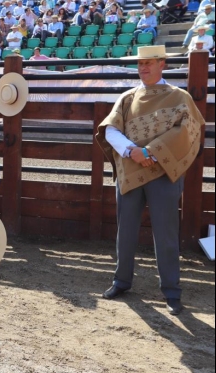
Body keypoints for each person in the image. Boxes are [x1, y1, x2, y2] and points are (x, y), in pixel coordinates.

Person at [96, 45, 203, 316]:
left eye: (149, 63)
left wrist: (151, 152)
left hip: (164, 175)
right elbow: (110, 129)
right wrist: (132, 151)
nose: (143, 67)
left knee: (166, 234)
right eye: (140, 63)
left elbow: (188, 131)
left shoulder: (180, 97)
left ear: (162, 64)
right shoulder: (127, 98)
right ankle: (121, 281)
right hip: (131, 172)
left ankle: (171, 292)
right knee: (126, 231)